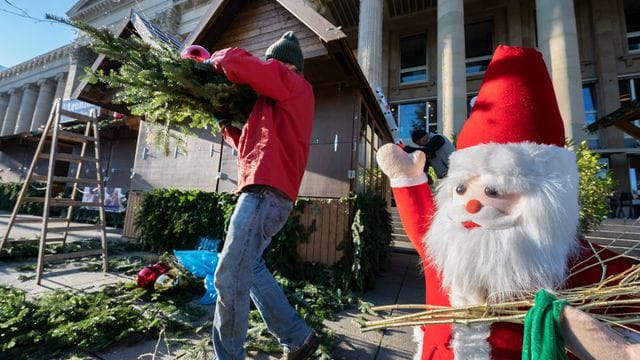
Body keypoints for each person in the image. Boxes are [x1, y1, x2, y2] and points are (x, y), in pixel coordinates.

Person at [376, 45, 637, 359]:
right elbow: (422, 224)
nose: (471, 206)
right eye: (461, 190)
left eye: (493, 192)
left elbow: (628, 285)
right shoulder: (446, 245)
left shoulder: (572, 261)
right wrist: (407, 179)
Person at [187, 32, 319, 360]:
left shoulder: (293, 83)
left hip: (265, 194)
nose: (268, 66)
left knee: (229, 273)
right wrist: (224, 125)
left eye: (272, 62)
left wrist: (210, 60)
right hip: (267, 194)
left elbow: (235, 61)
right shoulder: (273, 104)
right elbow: (250, 148)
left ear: (287, 65)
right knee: (251, 267)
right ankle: (297, 337)